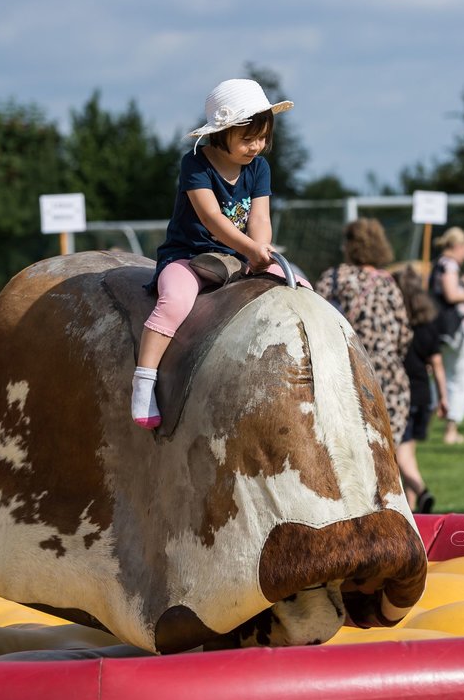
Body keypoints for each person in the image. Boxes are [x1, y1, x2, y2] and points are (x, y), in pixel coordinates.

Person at [132, 78, 298, 430]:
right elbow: (211, 218)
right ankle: (144, 381)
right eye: (248, 138)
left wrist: (261, 250)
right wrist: (250, 248)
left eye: (263, 137)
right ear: (220, 133)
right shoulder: (196, 164)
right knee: (174, 301)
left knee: (299, 285)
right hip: (188, 256)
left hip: (238, 257)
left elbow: (260, 217)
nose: (257, 146)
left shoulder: (259, 168)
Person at [317, 219, 413, 447]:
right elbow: (404, 334)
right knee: (385, 457)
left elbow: (316, 320)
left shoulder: (334, 279)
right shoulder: (387, 283)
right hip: (389, 378)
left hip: (346, 373)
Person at [391, 264, 449, 513]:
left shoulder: (392, 323)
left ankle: (421, 490)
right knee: (408, 454)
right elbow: (437, 364)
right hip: (422, 396)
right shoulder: (428, 323)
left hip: (397, 394)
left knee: (399, 457)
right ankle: (412, 511)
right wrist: (444, 397)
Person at [430, 227, 464, 446]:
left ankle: (429, 423)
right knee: (461, 378)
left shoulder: (440, 264)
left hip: (441, 329)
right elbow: (452, 294)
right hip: (455, 330)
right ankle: (451, 429)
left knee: (441, 374)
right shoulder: (450, 265)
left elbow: (462, 280)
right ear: (458, 246)